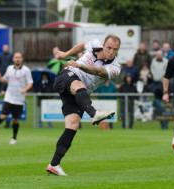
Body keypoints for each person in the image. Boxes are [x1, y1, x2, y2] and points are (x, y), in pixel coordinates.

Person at [46, 34, 121, 176]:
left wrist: (81, 65)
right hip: (66, 76)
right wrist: (65, 55)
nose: (111, 51)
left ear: (118, 50)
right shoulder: (94, 44)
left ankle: (54, 164)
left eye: (115, 49)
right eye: (109, 47)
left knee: (72, 126)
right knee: (81, 86)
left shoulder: (116, 67)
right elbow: (81, 45)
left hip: (78, 95)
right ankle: (94, 114)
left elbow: (99, 71)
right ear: (104, 45)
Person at [0, 52, 33, 144]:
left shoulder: (26, 70)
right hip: (9, 97)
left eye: (19, 57)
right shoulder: (9, 69)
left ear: (22, 59)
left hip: (19, 99)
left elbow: (30, 83)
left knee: (15, 119)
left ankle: (14, 138)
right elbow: (5, 80)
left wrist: (25, 89)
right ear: (13, 59)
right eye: (16, 57)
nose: (18, 59)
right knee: (3, 116)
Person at [0, 44, 13, 128]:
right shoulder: (1, 56)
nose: (5, 49)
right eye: (4, 48)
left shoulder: (10, 55)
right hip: (7, 97)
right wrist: (0, 73)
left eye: (7, 48)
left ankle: (8, 124)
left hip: (12, 96)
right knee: (5, 111)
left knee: (9, 112)